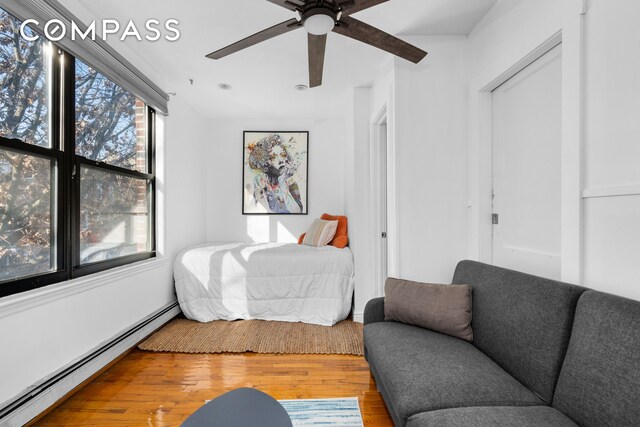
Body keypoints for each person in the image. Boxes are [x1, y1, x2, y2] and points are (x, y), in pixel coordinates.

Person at [246, 134, 304, 214]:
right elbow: (255, 210)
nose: (281, 160)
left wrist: (282, 182)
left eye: (283, 155)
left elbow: (297, 212)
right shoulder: (260, 181)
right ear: (266, 162)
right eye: (274, 156)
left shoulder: (290, 182)